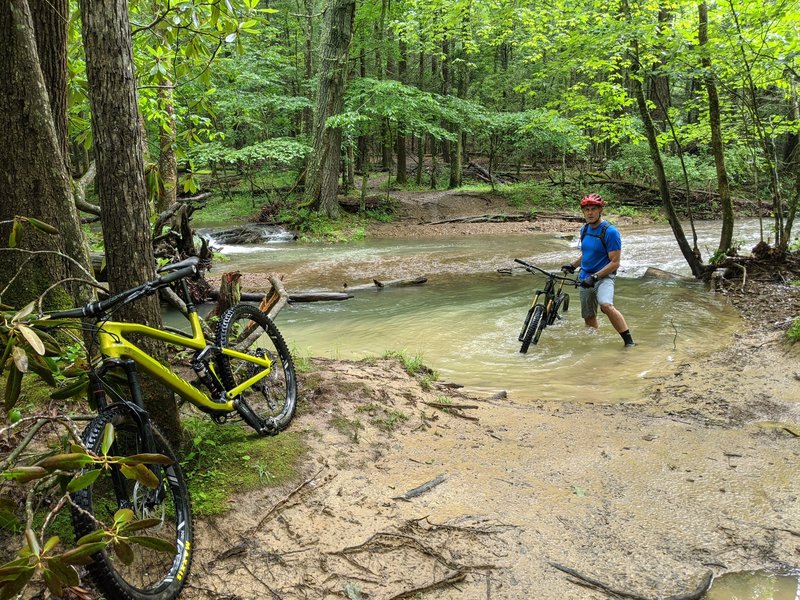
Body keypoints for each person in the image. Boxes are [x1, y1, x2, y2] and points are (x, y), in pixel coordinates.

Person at [561, 193, 635, 348]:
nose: (589, 212)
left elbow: (615, 263)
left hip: (604, 277)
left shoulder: (610, 232)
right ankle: (592, 345)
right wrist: (573, 265)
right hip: (585, 277)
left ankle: (629, 342)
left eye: (593, 209)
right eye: (586, 209)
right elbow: (588, 253)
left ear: (601, 210)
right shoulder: (584, 229)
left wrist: (594, 277)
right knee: (588, 316)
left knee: (606, 305)